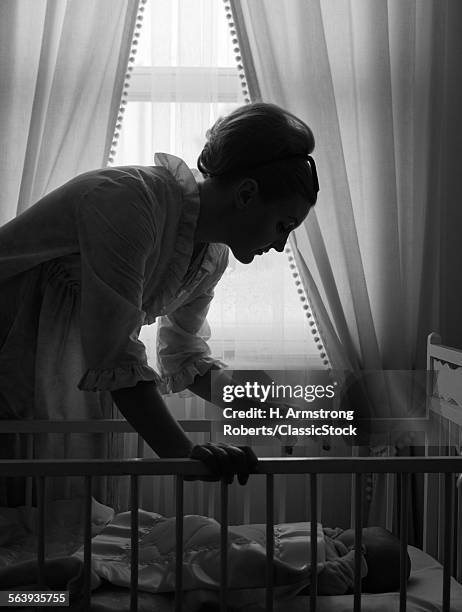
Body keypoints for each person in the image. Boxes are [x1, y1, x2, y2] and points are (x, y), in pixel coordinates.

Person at [0, 102, 319, 494]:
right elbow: (115, 352)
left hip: (43, 360)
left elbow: (183, 355)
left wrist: (264, 406)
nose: (280, 244)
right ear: (247, 193)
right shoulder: (129, 203)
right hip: (10, 340)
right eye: (283, 225)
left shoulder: (210, 255)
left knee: (35, 521)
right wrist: (183, 454)